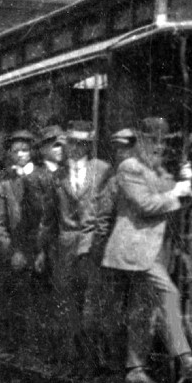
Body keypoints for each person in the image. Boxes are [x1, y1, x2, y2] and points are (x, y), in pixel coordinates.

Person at [100, 124, 192, 383]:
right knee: (167, 293)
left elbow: (173, 200)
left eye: (163, 141)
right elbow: (147, 205)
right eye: (153, 140)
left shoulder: (157, 171)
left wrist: (190, 190)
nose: (159, 146)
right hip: (135, 249)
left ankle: (135, 370)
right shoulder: (130, 167)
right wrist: (178, 192)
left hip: (155, 249)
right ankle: (185, 357)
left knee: (144, 309)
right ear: (140, 141)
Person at [39, 121, 113, 368]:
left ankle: (93, 361)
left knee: (92, 305)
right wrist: (42, 249)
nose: (75, 148)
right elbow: (49, 217)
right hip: (65, 246)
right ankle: (73, 360)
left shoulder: (102, 170)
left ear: (88, 146)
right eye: (71, 142)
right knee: (67, 305)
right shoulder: (57, 176)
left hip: (92, 245)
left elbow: (106, 211)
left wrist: (99, 244)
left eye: (81, 143)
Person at [0, 131, 43, 355]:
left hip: (42, 249)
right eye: (16, 151)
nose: (21, 155)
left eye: (25, 150)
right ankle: (21, 348)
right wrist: (12, 252)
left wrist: (41, 250)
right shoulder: (4, 184)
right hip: (17, 252)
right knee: (19, 301)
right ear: (9, 154)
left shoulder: (43, 176)